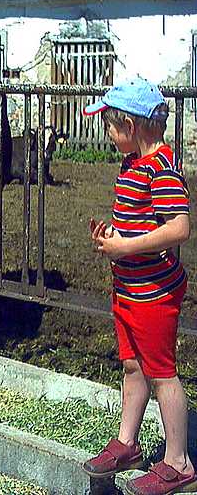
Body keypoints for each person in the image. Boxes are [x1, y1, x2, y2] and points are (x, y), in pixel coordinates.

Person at [81, 78, 194, 495]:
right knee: (133, 366)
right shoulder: (132, 166)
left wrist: (125, 245)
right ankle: (128, 443)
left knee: (163, 375)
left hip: (153, 294)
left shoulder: (160, 168)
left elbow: (179, 227)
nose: (108, 133)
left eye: (112, 125)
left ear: (132, 124)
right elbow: (140, 223)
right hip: (129, 288)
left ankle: (178, 461)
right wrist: (114, 237)